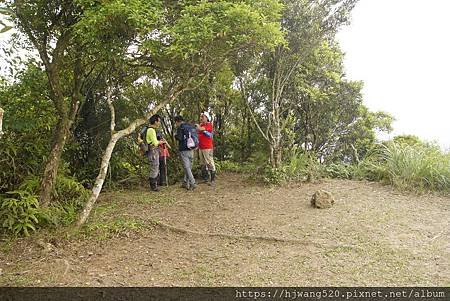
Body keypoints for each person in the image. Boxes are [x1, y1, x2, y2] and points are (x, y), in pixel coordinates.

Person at [174, 115, 197, 190]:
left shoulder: (181, 127)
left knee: (187, 168)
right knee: (189, 167)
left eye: (176, 122)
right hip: (192, 148)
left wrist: (175, 136)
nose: (176, 124)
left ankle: (192, 183)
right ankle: (185, 182)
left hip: (184, 149)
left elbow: (180, 138)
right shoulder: (190, 126)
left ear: (178, 121)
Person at [146, 114, 166, 192]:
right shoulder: (151, 130)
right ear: (155, 121)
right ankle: (153, 186)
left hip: (152, 150)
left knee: (154, 166)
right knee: (155, 166)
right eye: (159, 121)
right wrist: (162, 141)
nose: (159, 123)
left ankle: (154, 184)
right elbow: (155, 142)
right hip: (153, 150)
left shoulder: (150, 129)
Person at [196, 111, 216, 186]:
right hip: (201, 147)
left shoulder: (209, 125)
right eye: (201, 117)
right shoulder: (201, 125)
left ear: (207, 118)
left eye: (203, 117)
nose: (201, 118)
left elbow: (201, 129)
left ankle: (212, 180)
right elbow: (198, 133)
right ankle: (206, 178)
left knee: (210, 162)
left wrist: (198, 127)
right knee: (203, 163)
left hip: (207, 147)